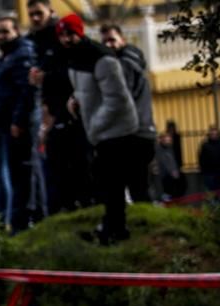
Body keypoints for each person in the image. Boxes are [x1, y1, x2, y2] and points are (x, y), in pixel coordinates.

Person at [59, 14, 139, 244]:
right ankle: (110, 225)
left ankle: (116, 229)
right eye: (62, 35)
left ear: (80, 33)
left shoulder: (101, 58)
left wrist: (94, 127)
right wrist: (74, 100)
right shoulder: (75, 58)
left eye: (70, 34)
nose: (66, 39)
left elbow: (117, 99)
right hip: (99, 128)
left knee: (112, 181)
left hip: (117, 129)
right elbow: (85, 89)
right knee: (104, 181)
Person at [27, 0, 91, 215]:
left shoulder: (62, 36)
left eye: (39, 13)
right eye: (31, 14)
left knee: (77, 165)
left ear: (50, 11)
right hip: (52, 111)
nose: (35, 18)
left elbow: (74, 71)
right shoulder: (35, 41)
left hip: (72, 110)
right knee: (57, 167)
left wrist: (47, 78)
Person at [0, 15, 36, 231]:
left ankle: (21, 227)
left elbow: (24, 91)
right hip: (5, 126)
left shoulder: (21, 54)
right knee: (15, 179)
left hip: (18, 128)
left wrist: (18, 120)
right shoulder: (6, 56)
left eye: (5, 32)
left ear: (16, 31)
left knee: (20, 180)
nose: (1, 37)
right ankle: (17, 226)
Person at [101, 24, 156, 203]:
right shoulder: (128, 63)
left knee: (137, 188)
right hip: (140, 131)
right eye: (105, 42)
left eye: (112, 40)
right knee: (138, 187)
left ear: (122, 40)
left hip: (133, 133)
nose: (109, 45)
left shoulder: (124, 65)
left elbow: (120, 98)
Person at [155, 132, 186, 200]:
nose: (168, 142)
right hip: (164, 176)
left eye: (169, 140)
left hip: (171, 175)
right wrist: (172, 171)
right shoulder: (158, 149)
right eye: (166, 140)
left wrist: (176, 170)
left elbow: (173, 161)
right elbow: (163, 161)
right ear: (161, 140)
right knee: (167, 193)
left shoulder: (170, 148)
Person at [200, 126, 220, 193]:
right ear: (209, 135)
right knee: (211, 190)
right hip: (209, 173)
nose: (214, 136)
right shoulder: (205, 145)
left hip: (218, 171)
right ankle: (212, 202)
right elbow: (201, 158)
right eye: (212, 134)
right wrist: (203, 170)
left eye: (216, 134)